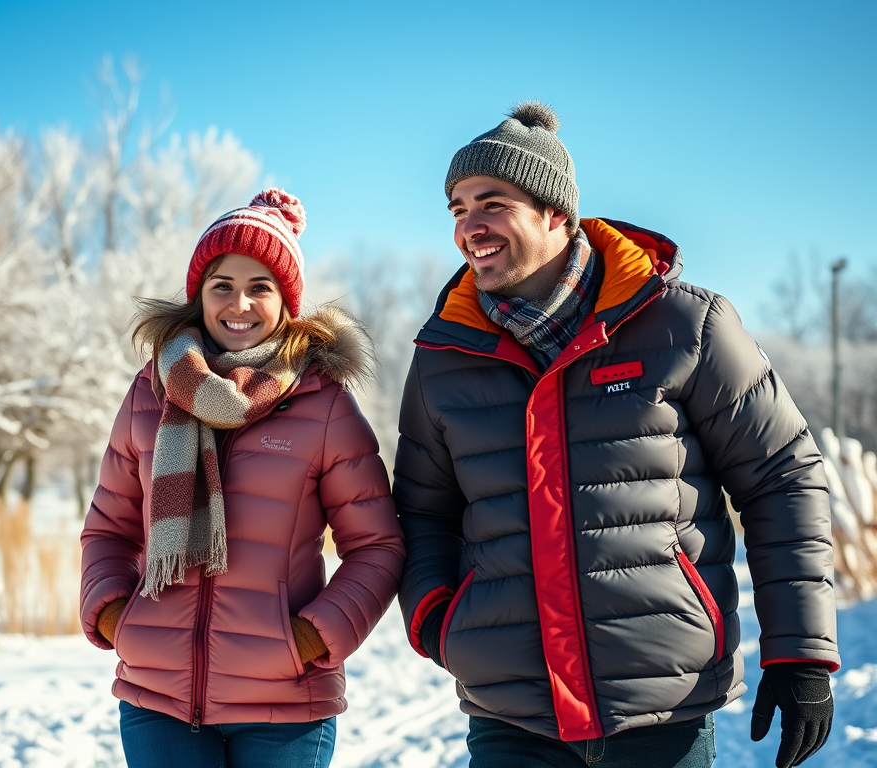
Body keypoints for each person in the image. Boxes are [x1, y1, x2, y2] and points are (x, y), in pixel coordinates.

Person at [394, 102, 839, 768]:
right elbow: (424, 510)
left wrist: (799, 649)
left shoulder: (685, 326)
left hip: (662, 705)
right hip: (512, 715)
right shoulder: (445, 357)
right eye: (457, 207)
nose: (469, 226)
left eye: (492, 203)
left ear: (555, 213)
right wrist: (438, 617)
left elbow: (782, 476)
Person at [80, 188, 405, 768]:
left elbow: (376, 547)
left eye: (261, 287)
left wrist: (310, 639)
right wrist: (114, 615)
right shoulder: (150, 392)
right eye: (222, 285)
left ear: (287, 301)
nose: (240, 303)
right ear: (198, 296)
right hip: (157, 700)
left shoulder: (323, 404)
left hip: (283, 704)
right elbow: (108, 529)